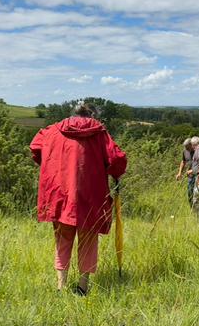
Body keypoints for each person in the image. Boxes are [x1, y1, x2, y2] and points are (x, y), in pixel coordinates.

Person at [29, 103, 129, 296]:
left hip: (59, 194)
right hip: (91, 195)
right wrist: (114, 173)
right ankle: (82, 286)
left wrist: (51, 163)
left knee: (62, 239)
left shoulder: (53, 130)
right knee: (88, 239)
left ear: (74, 114)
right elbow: (117, 159)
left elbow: (35, 147)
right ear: (91, 115)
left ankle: (61, 286)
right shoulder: (100, 133)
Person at [176, 138, 193, 206]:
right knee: (190, 194)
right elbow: (183, 161)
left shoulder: (197, 151)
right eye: (185, 148)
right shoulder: (185, 151)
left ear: (191, 145)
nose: (187, 149)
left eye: (188, 148)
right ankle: (192, 210)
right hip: (190, 177)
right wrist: (180, 173)